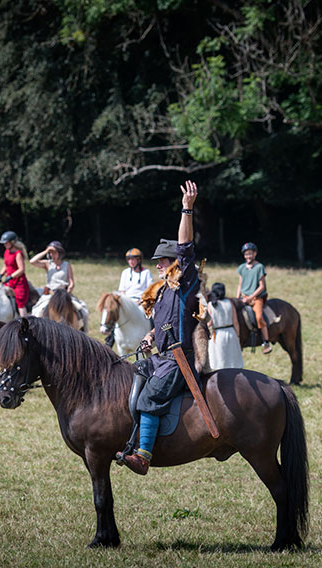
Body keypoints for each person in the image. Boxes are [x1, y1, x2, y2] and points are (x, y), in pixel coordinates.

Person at [115, 180, 201, 475]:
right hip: (160, 357)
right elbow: (163, 324)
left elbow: (186, 248)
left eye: (162, 260)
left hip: (179, 361)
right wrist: (151, 335)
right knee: (131, 376)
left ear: (175, 262)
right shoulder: (164, 291)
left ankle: (143, 456)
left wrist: (186, 209)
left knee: (149, 398)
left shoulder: (185, 282)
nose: (158, 265)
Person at [28, 240, 89, 323]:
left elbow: (71, 283)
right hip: (51, 294)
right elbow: (32, 261)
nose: (52, 255)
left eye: (54, 252)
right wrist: (46, 251)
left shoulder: (66, 265)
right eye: (50, 253)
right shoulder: (48, 264)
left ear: (60, 253)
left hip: (64, 293)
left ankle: (84, 329)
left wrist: (68, 291)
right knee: (37, 312)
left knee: (82, 310)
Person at [236, 242, 273, 354]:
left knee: (259, 317)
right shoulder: (241, 268)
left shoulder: (259, 267)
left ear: (255, 254)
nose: (248, 256)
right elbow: (240, 285)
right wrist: (237, 299)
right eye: (246, 254)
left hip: (256, 298)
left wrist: (251, 297)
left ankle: (266, 342)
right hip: (243, 297)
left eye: (250, 254)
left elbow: (262, 287)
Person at [206, 282, 244, 370]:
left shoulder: (210, 305)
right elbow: (236, 322)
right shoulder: (230, 303)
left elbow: (210, 323)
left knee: (220, 364)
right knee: (234, 363)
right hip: (231, 333)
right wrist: (237, 335)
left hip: (218, 335)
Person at [0, 231, 30, 317]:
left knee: (20, 303)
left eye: (6, 243)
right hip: (10, 281)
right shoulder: (6, 252)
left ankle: (24, 320)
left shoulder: (18, 254)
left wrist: (11, 276)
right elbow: (6, 265)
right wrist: (1, 274)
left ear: (12, 242)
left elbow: (21, 269)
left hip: (19, 282)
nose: (4, 244)